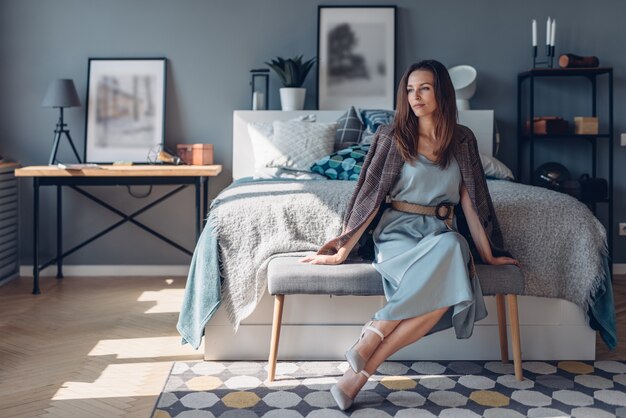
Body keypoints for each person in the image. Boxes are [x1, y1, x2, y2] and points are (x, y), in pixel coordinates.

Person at [300, 59, 520, 410]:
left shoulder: (462, 141)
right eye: (409, 89)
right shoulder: (392, 135)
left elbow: (472, 204)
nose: (415, 96)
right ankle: (370, 341)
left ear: (442, 92)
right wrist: (342, 248)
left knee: (452, 248)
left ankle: (363, 362)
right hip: (397, 236)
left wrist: (490, 253)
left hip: (439, 235)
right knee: (448, 278)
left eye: (425, 88)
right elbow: (370, 197)